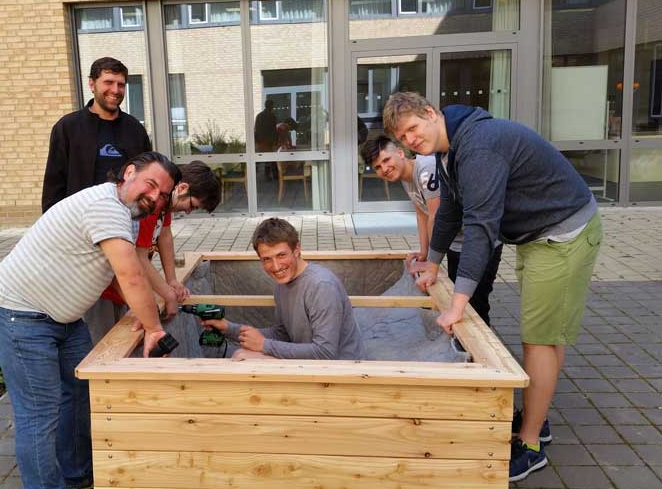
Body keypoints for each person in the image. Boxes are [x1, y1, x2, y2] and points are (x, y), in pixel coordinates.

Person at [383, 92, 601, 482]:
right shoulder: (450, 148)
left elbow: (481, 226)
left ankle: (531, 443)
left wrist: (458, 304)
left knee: (540, 338)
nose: (410, 142)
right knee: (543, 334)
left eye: (413, 129)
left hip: (563, 234)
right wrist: (432, 264)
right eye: (403, 139)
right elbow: (450, 209)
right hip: (538, 235)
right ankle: (538, 415)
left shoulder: (479, 147)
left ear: (430, 114)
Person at [0, 152, 179, 489]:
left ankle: (76, 473)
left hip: (61, 319)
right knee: (40, 413)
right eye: (151, 184)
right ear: (129, 172)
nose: (155, 197)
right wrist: (154, 327)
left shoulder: (123, 212)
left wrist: (143, 308)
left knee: (80, 389)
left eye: (162, 195)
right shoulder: (105, 207)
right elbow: (130, 277)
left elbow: (119, 273)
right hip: (19, 314)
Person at [360, 134, 502, 325]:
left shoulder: (425, 168)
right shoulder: (406, 177)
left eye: (386, 160)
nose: (384, 168)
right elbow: (422, 213)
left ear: (400, 153)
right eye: (378, 167)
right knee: (461, 304)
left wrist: (431, 265)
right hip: (456, 242)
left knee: (475, 305)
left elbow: (436, 216)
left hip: (479, 240)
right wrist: (424, 254)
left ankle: (485, 353)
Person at [199, 218, 366, 360]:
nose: (276, 266)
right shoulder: (282, 284)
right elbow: (282, 334)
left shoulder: (321, 286)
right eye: (267, 259)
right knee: (243, 354)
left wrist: (264, 345)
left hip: (342, 371)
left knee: (242, 358)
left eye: (281, 255)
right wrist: (228, 328)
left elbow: (325, 353)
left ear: (297, 249)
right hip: (314, 365)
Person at [94, 161, 221, 344]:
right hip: (103, 289)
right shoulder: (151, 207)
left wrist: (172, 280)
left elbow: (165, 236)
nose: (187, 212)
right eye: (192, 206)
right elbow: (140, 258)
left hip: (123, 287)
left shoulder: (166, 204)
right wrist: (167, 295)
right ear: (183, 188)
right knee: (102, 344)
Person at [42, 56, 151, 213]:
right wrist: (49, 222)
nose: (115, 90)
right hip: (79, 220)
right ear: (92, 84)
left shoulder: (135, 129)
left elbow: (146, 177)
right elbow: (54, 183)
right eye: (108, 82)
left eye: (121, 85)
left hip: (125, 219)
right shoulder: (68, 127)